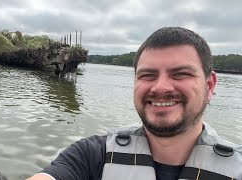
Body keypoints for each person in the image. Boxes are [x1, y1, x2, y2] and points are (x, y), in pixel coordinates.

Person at [27, 27, 242, 180]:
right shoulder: (91, 155)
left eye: (181, 74)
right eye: (148, 75)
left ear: (210, 85)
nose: (160, 87)